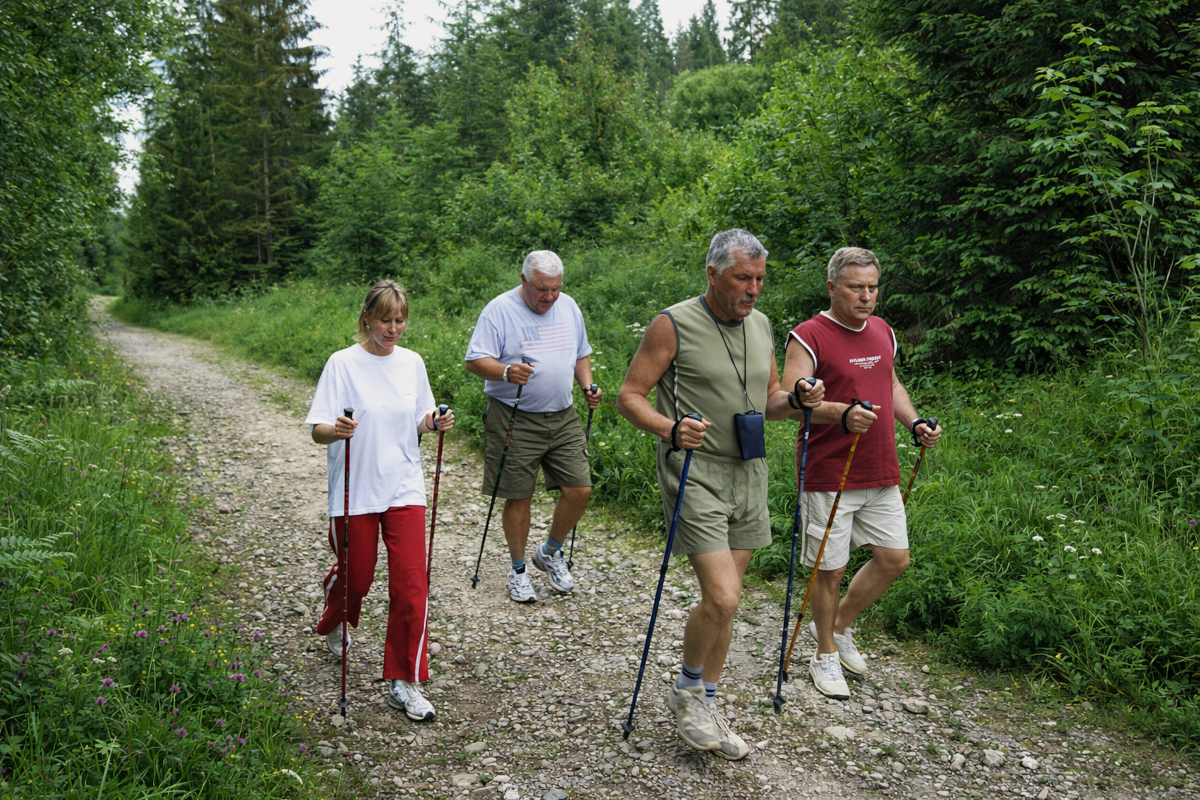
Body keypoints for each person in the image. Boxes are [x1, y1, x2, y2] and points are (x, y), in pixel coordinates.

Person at [617, 230, 824, 760]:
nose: (753, 289)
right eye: (742, 278)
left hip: (750, 472)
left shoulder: (761, 325)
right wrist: (670, 428)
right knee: (724, 596)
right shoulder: (673, 323)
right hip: (695, 471)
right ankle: (688, 690)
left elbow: (771, 400)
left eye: (759, 279)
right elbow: (629, 395)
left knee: (725, 604)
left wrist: (799, 400)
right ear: (712, 274)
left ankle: (705, 700)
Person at [781, 247, 942, 700]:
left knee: (895, 559)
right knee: (828, 570)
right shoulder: (808, 336)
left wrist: (915, 423)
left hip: (880, 468)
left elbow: (890, 384)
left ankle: (838, 626)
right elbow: (791, 398)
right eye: (855, 288)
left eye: (872, 287)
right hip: (829, 471)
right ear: (832, 287)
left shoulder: (883, 331)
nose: (866, 296)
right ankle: (825, 654)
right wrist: (840, 413)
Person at [306, 279, 454, 722]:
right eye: (385, 320)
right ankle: (334, 613)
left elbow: (419, 418)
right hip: (355, 489)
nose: (393, 328)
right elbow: (317, 429)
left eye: (400, 320)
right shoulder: (341, 364)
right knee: (358, 575)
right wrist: (337, 430)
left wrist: (435, 420)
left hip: (403, 486)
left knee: (412, 585)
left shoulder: (412, 364)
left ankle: (404, 681)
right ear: (366, 318)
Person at [464, 250, 601, 603]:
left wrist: (587, 385)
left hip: (563, 413)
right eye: (542, 289)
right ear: (524, 280)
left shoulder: (568, 306)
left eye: (555, 289)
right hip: (513, 414)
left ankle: (550, 552)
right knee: (518, 494)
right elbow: (475, 360)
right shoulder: (499, 310)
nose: (549, 297)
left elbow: (581, 353)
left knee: (580, 489)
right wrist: (507, 372)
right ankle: (519, 569)